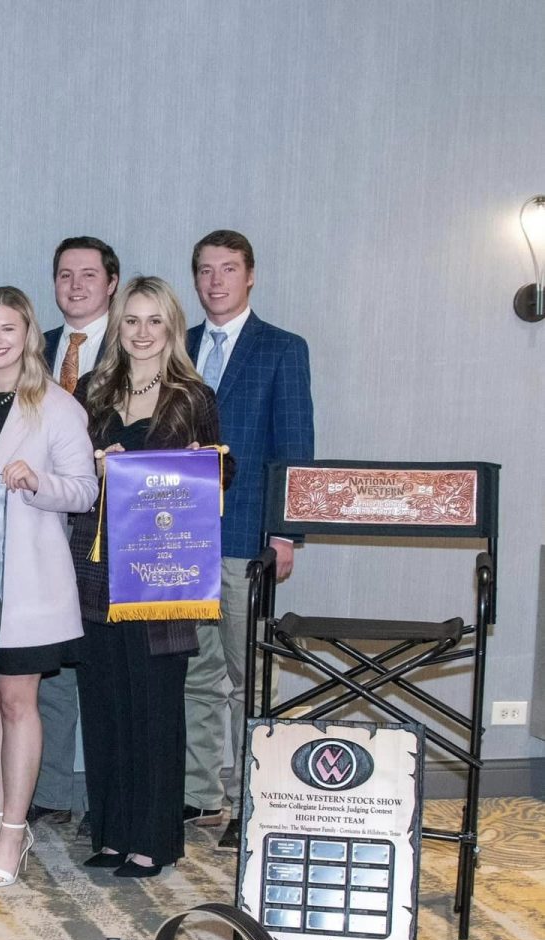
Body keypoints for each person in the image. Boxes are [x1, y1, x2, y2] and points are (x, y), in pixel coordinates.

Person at [72, 275, 232, 878]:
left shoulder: (192, 396)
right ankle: (113, 832)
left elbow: (225, 471)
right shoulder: (93, 388)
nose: (141, 333)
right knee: (106, 701)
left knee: (155, 704)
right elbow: (71, 468)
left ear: (172, 328)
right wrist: (93, 463)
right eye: (131, 321)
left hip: (162, 572)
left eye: (154, 321)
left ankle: (152, 840)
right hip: (96, 567)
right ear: (119, 327)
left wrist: (198, 463)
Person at [0, 287, 96, 889]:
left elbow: (85, 491)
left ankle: (14, 831)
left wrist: (36, 484)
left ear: (29, 335)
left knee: (17, 702)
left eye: (8, 329)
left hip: (31, 584)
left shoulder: (59, 407)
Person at [181, 230, 314, 848]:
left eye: (228, 269)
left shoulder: (282, 348)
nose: (215, 281)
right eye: (205, 271)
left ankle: (253, 801)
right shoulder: (177, 347)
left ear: (250, 275)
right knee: (197, 674)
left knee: (251, 674)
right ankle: (201, 796)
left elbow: (295, 446)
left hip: (245, 537)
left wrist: (285, 534)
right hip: (179, 541)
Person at [31, 236, 120, 830]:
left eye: (89, 275)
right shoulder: (36, 350)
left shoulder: (137, 343)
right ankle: (54, 790)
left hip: (115, 533)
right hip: (47, 524)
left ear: (111, 282)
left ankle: (108, 794)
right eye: (65, 275)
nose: (76, 285)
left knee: (106, 670)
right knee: (51, 664)